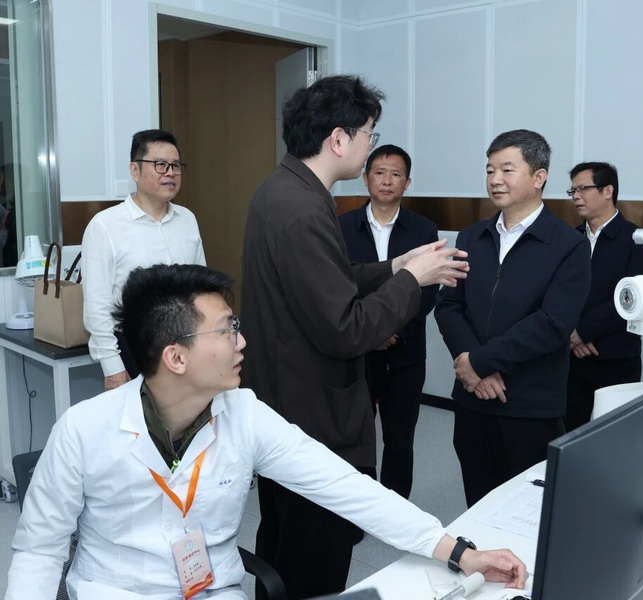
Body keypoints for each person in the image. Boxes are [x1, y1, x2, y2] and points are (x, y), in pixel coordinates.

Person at [5, 264, 526, 600]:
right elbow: (39, 552)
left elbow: (344, 486)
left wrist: (457, 550)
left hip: (213, 592)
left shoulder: (244, 413)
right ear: (176, 358)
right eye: (227, 330)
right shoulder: (84, 430)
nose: (242, 342)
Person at [241, 75, 469, 598]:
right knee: (313, 558)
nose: (371, 145)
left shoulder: (285, 189)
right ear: (339, 140)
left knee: (283, 542)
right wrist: (414, 280)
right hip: (310, 413)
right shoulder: (303, 208)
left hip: (283, 400)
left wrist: (395, 266)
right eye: (369, 134)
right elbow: (345, 327)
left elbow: (327, 279)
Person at [434, 129, 591, 507]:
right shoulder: (471, 237)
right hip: (472, 399)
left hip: (528, 406)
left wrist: (480, 362)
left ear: (539, 177)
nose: (495, 179)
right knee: (476, 502)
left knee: (522, 512)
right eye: (490, 170)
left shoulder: (568, 244)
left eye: (507, 169)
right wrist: (470, 364)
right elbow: (449, 306)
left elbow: (552, 324)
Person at [338, 144, 438, 499]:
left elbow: (429, 290)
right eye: (379, 173)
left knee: (401, 436)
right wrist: (370, 329)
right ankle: (359, 507)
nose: (386, 180)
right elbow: (338, 285)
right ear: (366, 179)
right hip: (356, 349)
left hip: (405, 351)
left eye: (396, 174)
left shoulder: (423, 229)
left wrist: (393, 329)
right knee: (356, 435)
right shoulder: (341, 227)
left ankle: (396, 507)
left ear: (407, 183)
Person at [82, 129, 205, 391]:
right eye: (160, 164)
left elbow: (200, 288)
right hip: (134, 345)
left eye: (175, 166)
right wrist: (113, 367)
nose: (170, 173)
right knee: (143, 417)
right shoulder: (105, 226)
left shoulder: (187, 219)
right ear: (135, 170)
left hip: (185, 341)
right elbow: (97, 306)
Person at [564, 162, 643, 431]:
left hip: (616, 355)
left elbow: (630, 300)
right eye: (572, 191)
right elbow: (557, 293)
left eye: (583, 189)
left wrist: (582, 331)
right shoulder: (569, 238)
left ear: (607, 191)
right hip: (570, 356)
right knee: (568, 434)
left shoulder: (637, 239)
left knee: (615, 434)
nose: (576, 196)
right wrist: (571, 335)